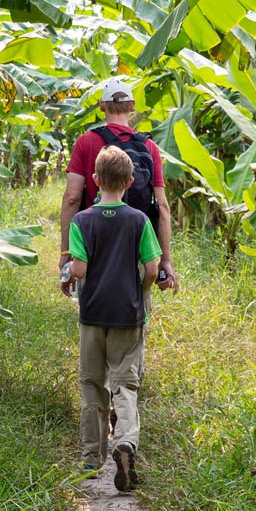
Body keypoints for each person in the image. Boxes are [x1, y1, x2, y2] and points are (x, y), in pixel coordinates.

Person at [66, 146, 161, 490]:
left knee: (92, 383)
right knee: (126, 383)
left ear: (94, 181)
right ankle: (125, 441)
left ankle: (93, 458)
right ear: (130, 181)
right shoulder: (139, 220)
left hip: (93, 313)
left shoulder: (82, 221)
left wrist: (71, 274)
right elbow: (151, 268)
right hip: (128, 314)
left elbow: (79, 268)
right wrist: (142, 289)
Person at [59, 76, 179, 294]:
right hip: (137, 241)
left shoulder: (86, 141)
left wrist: (66, 253)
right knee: (136, 310)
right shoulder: (149, 147)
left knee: (93, 309)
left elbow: (72, 198)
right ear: (132, 106)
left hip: (93, 241)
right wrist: (165, 260)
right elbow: (162, 206)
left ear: (102, 106)